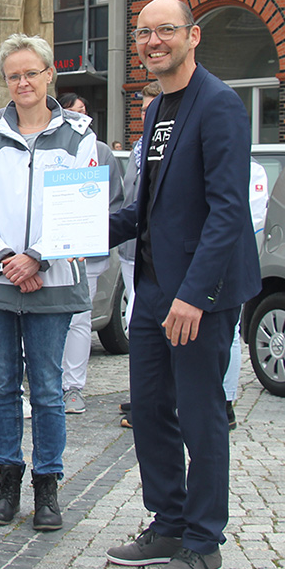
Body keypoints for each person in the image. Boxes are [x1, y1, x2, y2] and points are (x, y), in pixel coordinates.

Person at [105, 0, 261, 569]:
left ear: (192, 36)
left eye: (165, 31)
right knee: (148, 410)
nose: (152, 41)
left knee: (201, 416)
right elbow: (145, 209)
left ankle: (203, 540)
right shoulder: (157, 112)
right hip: (153, 290)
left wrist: (193, 296)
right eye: (143, 33)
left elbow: (227, 211)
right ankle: (167, 521)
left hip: (203, 293)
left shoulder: (218, 104)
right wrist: (67, 237)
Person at [0, 34, 97, 533]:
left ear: (48, 76)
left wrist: (37, 257)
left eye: (30, 73)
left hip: (54, 277)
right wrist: (6, 260)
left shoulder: (80, 135)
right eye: (13, 75)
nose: (22, 82)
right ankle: (7, 481)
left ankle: (47, 487)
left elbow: (81, 205)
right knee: (1, 388)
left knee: (45, 387)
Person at [55, 92, 123, 416]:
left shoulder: (102, 153)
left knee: (79, 319)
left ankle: (73, 387)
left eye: (83, 112)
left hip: (88, 255)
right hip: (50, 253)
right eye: (72, 112)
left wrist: (95, 233)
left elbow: (115, 201)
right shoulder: (47, 146)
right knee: (50, 320)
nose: (79, 117)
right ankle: (47, 383)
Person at [120, 82, 160, 431]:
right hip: (130, 252)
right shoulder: (137, 148)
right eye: (142, 109)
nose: (145, 114)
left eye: (152, 108)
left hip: (161, 259)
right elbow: (129, 205)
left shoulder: (164, 148)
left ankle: (150, 401)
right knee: (138, 327)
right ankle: (144, 398)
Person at [221, 158, 270, 430]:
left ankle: (226, 401)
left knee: (231, 331)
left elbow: (254, 217)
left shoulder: (253, 170)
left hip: (234, 256)